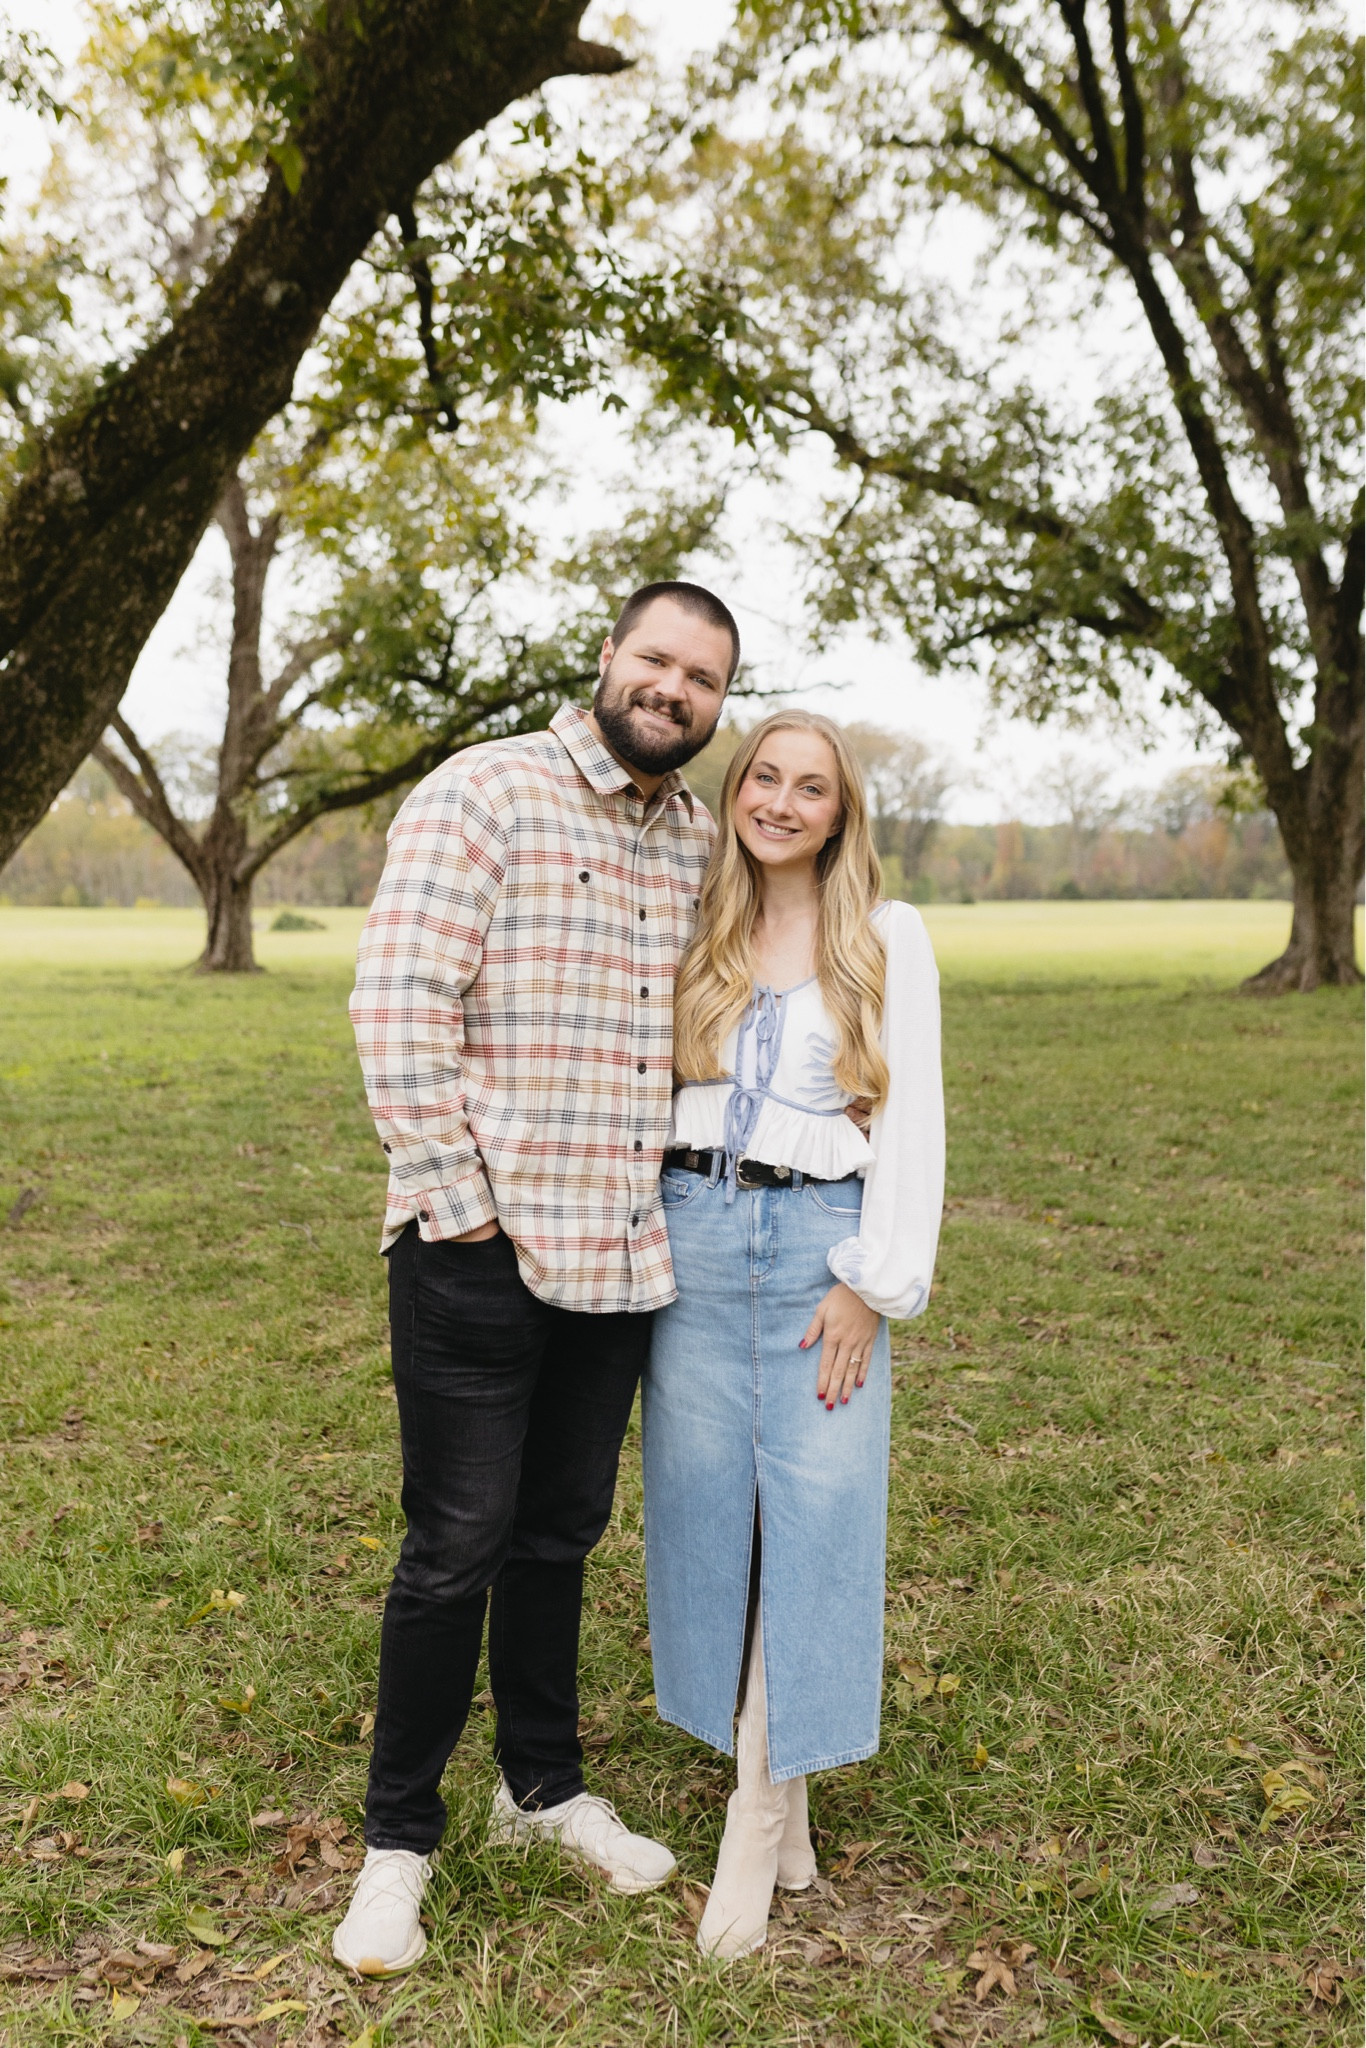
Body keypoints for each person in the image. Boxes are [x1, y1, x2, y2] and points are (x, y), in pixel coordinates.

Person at [334, 581, 738, 1976]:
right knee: (453, 1547)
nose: (672, 690)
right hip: (479, 1246)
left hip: (623, 1254)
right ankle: (398, 1844)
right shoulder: (486, 792)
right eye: (656, 660)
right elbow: (397, 1001)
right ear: (607, 660)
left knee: (559, 1534)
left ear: (714, 705)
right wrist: (458, 1212)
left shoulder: (696, 838)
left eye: (701, 679)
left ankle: (542, 1788)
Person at [641, 710, 944, 1959]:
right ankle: (785, 1786)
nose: (779, 800)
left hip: (818, 1246)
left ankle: (754, 1820)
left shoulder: (884, 936)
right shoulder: (691, 920)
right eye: (763, 775)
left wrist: (873, 1279)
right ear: (736, 790)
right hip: (692, 1240)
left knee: (816, 1512)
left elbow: (913, 1113)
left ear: (839, 811)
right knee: (713, 1512)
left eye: (809, 787)